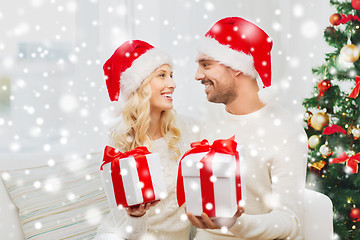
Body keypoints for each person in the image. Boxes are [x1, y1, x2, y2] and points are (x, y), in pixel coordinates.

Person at [187, 17, 308, 240]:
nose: (197, 75)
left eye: (206, 64)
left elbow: (290, 223)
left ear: (237, 68)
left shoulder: (285, 131)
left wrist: (235, 223)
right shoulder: (206, 118)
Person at [94, 40, 200, 240]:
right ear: (139, 86)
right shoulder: (119, 140)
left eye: (171, 75)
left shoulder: (187, 129)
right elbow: (125, 226)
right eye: (161, 75)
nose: (172, 84)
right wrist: (137, 216)